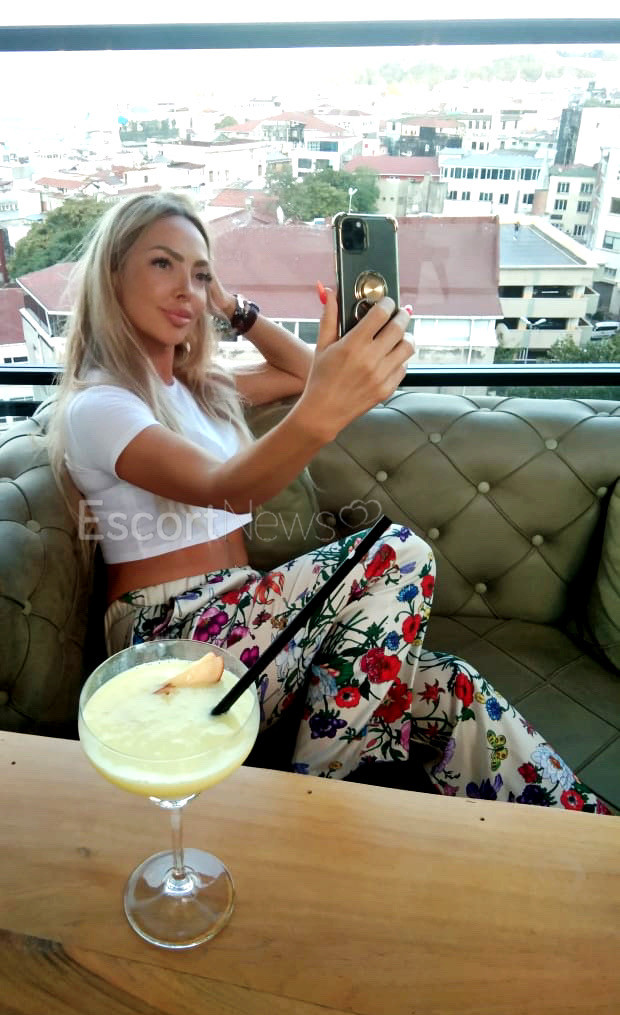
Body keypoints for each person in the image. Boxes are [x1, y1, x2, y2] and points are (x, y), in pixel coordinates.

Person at [48, 191, 609, 814]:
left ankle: (592, 837)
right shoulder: (101, 405)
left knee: (451, 688)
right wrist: (326, 409)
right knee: (395, 553)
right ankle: (320, 806)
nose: (187, 288)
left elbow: (306, 371)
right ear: (112, 275)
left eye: (200, 272)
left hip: (247, 624)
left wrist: (232, 308)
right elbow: (226, 484)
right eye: (162, 264)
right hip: (173, 643)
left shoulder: (194, 387)